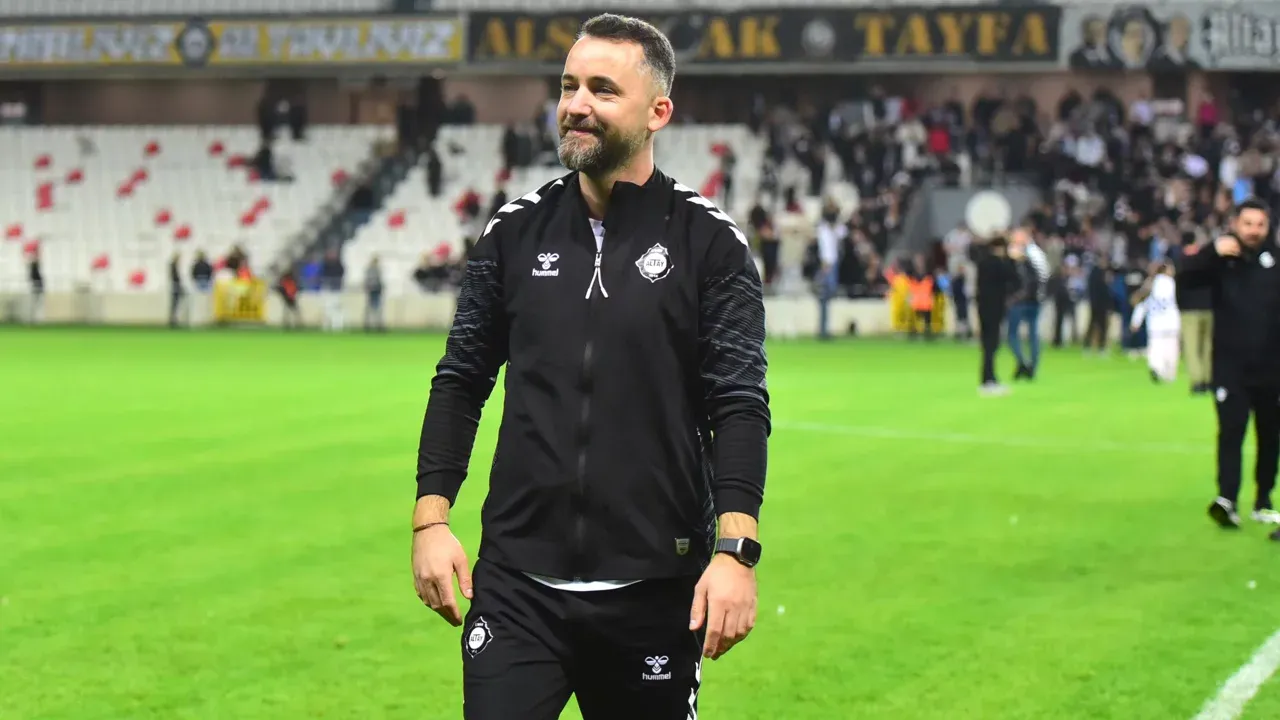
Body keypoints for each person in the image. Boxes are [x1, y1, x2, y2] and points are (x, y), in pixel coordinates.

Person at [410, 14, 770, 719]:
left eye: (603, 90)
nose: (576, 104)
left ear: (658, 111)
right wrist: (431, 520)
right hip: (515, 589)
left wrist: (735, 551)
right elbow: (460, 381)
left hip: (655, 590)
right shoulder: (513, 232)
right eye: (569, 85)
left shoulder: (710, 244)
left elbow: (738, 404)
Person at [1177, 199, 1280, 533]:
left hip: (1272, 367)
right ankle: (1227, 500)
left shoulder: (1275, 259)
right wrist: (1211, 251)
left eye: (1259, 225)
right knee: (1231, 432)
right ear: (1235, 224)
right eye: (1247, 223)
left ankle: (1263, 500)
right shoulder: (1221, 259)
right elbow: (1184, 277)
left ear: (1268, 227)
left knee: (1270, 436)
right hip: (1230, 366)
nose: (1253, 231)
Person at [1006, 228, 1050, 379]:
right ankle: (1031, 366)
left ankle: (1023, 363)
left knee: (1013, 334)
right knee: (1033, 335)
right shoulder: (1037, 254)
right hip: (1035, 300)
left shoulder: (1025, 255)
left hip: (1020, 301)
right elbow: (1044, 276)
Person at [974, 234, 1014, 395]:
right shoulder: (998, 264)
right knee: (992, 344)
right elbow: (1012, 276)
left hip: (983, 307)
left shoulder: (982, 262)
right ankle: (989, 380)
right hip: (994, 307)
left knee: (987, 345)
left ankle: (988, 377)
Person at [1128, 262, 1179, 382]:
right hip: (1172, 322)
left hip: (1155, 322)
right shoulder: (1172, 283)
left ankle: (1156, 368)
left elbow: (1142, 304)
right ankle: (1170, 373)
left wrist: (1136, 321)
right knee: (1171, 348)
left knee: (1156, 348)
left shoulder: (1150, 284)